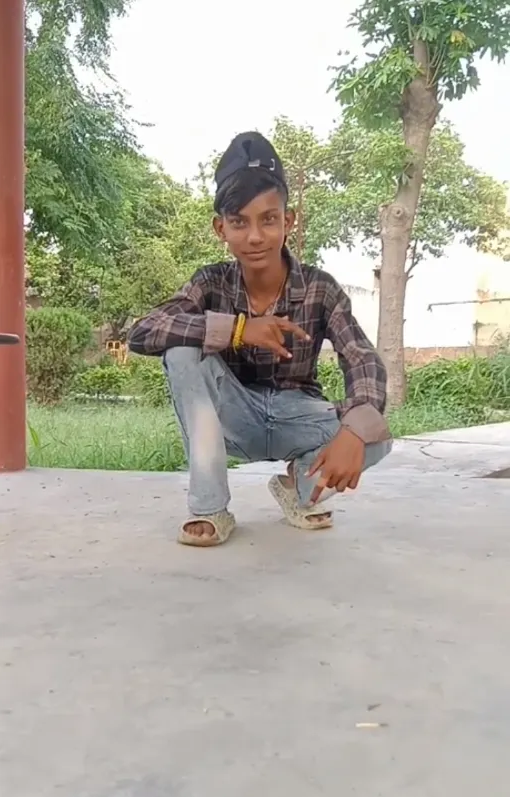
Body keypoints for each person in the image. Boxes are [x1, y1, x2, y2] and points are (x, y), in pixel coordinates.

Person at [128, 132, 392, 546]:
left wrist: (354, 431)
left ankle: (297, 485)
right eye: (239, 221)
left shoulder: (321, 289)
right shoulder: (210, 283)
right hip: (230, 418)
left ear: (289, 221)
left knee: (373, 434)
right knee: (181, 350)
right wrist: (234, 330)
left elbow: (361, 357)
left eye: (269, 219)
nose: (255, 236)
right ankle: (210, 507)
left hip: (297, 417)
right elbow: (144, 331)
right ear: (221, 227)